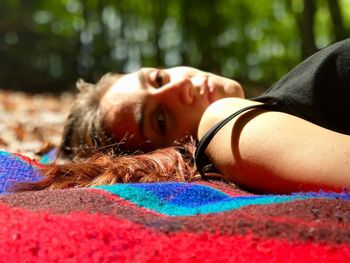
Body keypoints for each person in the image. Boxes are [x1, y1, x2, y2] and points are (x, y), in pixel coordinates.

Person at [16, 38, 350, 193]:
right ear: (162, 154)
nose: (181, 89)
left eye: (158, 78)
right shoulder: (221, 123)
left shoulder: (275, 108)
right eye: (160, 119)